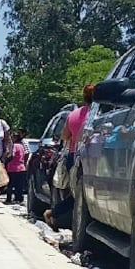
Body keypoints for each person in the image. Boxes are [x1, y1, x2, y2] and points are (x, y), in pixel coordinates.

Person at [45, 84, 95, 229]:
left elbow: (64, 136)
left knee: (77, 194)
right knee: (81, 195)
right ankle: (54, 213)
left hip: (73, 156)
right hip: (92, 157)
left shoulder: (73, 115)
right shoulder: (96, 116)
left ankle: (55, 214)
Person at [4, 130, 27, 204]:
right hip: (21, 168)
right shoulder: (21, 146)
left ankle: (8, 199)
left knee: (10, 185)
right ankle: (19, 199)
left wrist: (6, 161)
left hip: (13, 168)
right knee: (19, 186)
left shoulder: (14, 146)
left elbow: (12, 155)